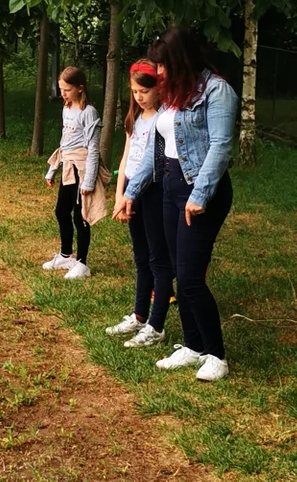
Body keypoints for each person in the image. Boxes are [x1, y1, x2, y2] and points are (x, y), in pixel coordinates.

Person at [113, 29, 237, 381]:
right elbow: (157, 149)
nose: (159, 72)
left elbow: (221, 146)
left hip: (199, 192)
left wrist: (199, 195)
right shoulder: (171, 95)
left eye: (164, 64)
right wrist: (132, 192)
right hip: (169, 189)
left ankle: (216, 354)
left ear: (181, 60)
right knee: (178, 273)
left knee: (192, 278)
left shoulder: (217, 91)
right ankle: (193, 346)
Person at [107, 60, 173, 348]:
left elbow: (151, 163)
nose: (139, 96)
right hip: (130, 192)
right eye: (134, 91)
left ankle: (156, 325)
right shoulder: (134, 118)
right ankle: (138, 315)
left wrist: (131, 195)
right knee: (140, 256)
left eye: (144, 91)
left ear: (158, 89)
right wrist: (119, 194)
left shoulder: (161, 119)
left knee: (158, 258)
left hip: (152, 193)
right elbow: (126, 159)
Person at [43, 66, 105, 280]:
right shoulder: (66, 108)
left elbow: (93, 148)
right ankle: (66, 254)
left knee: (81, 217)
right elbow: (64, 142)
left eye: (67, 89)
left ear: (80, 88)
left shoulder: (90, 113)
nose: (63, 94)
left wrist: (88, 181)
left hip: (83, 169)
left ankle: (82, 263)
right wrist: (53, 169)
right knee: (61, 211)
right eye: (61, 89)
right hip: (68, 167)